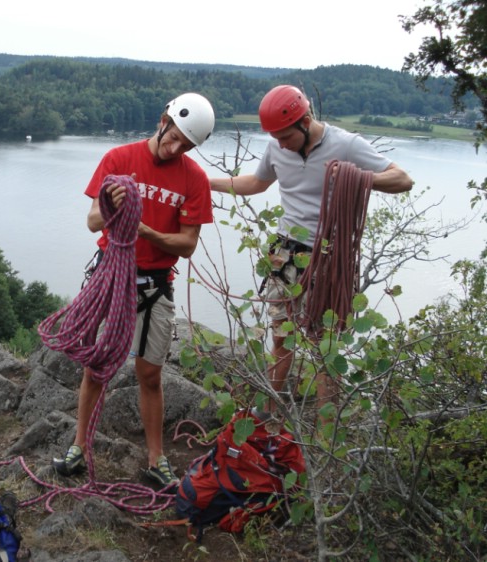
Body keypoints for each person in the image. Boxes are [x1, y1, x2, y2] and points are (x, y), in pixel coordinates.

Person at [210, 84, 413, 415]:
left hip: (329, 257)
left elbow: (402, 179)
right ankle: (266, 414)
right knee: (280, 337)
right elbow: (257, 183)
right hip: (284, 254)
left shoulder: (346, 145)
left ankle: (324, 431)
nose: (280, 144)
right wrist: (206, 183)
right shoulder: (278, 149)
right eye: (275, 137)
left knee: (324, 346)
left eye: (285, 136)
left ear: (305, 121)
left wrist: (355, 177)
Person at [52, 92, 216, 486]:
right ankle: (79, 447)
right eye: (173, 136)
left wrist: (144, 229)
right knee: (97, 367)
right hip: (112, 274)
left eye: (185, 145)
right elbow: (93, 222)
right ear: (164, 120)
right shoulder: (119, 159)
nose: (175, 147)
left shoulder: (193, 179)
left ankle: (156, 458)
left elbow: (188, 244)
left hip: (156, 283)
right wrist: (110, 204)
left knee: (150, 375)